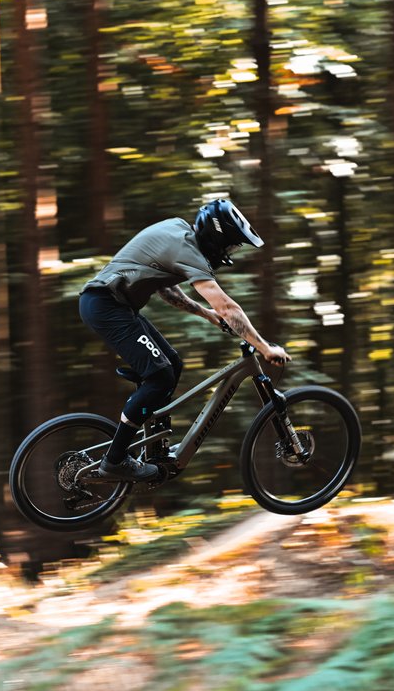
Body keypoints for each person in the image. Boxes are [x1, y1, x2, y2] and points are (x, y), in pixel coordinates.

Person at [78, 199, 292, 482]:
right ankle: (114, 461)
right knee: (160, 376)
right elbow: (228, 307)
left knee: (173, 364)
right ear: (217, 238)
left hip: (114, 306)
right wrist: (264, 347)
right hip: (106, 306)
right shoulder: (188, 250)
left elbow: (168, 292)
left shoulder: (178, 231)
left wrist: (207, 315)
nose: (229, 254)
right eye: (230, 246)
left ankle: (153, 447)